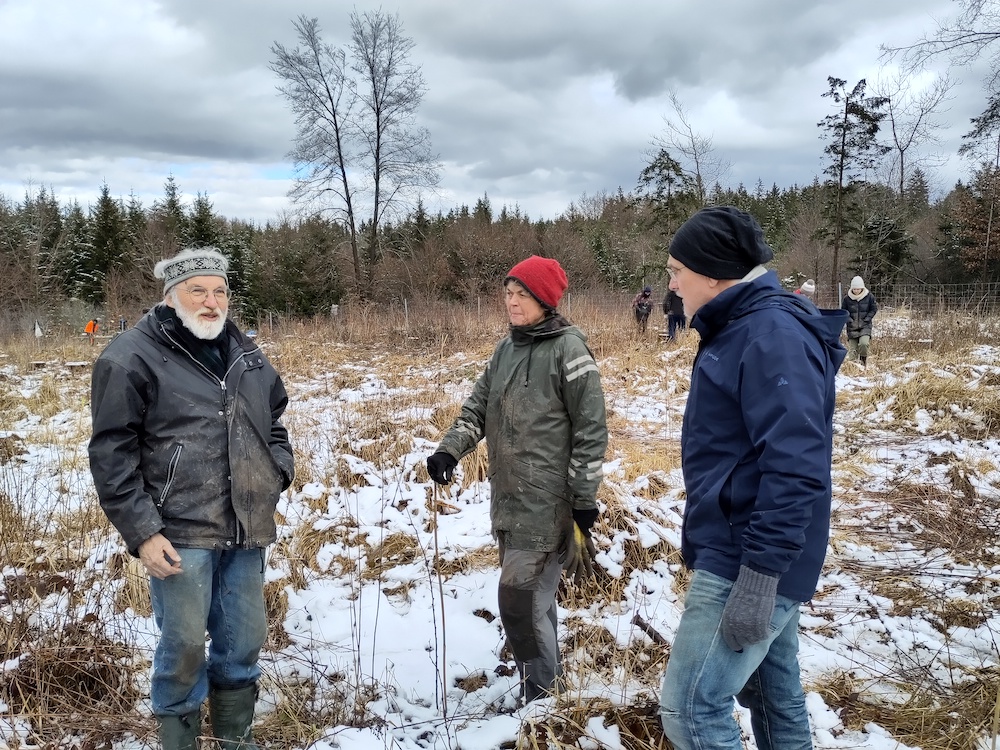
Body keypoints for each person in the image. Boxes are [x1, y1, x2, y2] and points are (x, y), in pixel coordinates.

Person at [657, 207, 847, 750]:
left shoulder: (770, 334)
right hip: (756, 546)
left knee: (691, 709)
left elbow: (795, 463)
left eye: (677, 270)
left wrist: (760, 576)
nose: (671, 284)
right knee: (773, 697)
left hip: (748, 557)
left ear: (713, 273)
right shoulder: (742, 326)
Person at [88, 247, 294, 750]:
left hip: (246, 528)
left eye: (220, 290)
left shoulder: (246, 355)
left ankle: (234, 740)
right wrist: (142, 532)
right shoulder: (130, 356)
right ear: (171, 296)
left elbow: (274, 423)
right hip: (177, 532)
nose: (211, 301)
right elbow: (111, 451)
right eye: (197, 290)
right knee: (182, 648)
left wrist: (277, 470)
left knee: (243, 643)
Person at [425, 255, 608, 704]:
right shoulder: (506, 350)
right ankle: (548, 693)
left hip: (548, 503)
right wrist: (450, 448)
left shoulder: (570, 351)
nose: (511, 301)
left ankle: (542, 699)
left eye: (521, 293)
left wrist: (584, 497)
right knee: (535, 603)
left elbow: (591, 429)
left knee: (518, 602)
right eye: (508, 293)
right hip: (508, 501)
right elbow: (476, 408)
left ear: (544, 298)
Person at [842, 275, 878, 367]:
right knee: (852, 351)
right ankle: (853, 368)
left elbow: (873, 309)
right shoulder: (847, 299)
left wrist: (867, 319)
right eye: (854, 289)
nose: (856, 291)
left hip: (865, 326)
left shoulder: (869, 297)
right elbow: (843, 312)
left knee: (864, 344)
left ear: (862, 288)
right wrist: (849, 320)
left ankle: (863, 362)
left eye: (858, 289)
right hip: (852, 327)